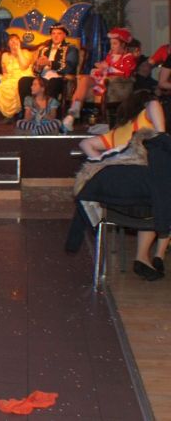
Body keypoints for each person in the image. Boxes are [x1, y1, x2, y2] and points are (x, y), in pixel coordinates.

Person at [72, 90, 168, 280]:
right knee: (161, 195)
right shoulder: (148, 111)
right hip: (145, 196)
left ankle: (148, 257)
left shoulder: (116, 133)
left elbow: (85, 144)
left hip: (115, 203)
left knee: (154, 200)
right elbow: (161, 137)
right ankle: (155, 255)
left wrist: (105, 163)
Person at [63, 28, 136, 131]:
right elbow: (104, 66)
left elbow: (126, 73)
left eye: (115, 44)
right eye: (111, 44)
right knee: (84, 79)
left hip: (112, 86)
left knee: (83, 85)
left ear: (123, 44)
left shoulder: (128, 57)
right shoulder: (110, 56)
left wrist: (107, 68)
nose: (112, 46)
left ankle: (71, 117)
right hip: (100, 82)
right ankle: (72, 115)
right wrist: (100, 68)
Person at [18, 23, 79, 105]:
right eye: (53, 33)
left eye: (59, 33)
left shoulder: (71, 49)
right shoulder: (44, 49)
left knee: (53, 82)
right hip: (42, 79)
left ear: (64, 35)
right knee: (24, 81)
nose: (56, 36)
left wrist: (49, 63)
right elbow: (36, 71)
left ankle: (48, 111)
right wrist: (38, 67)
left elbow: (70, 67)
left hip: (58, 79)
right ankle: (27, 110)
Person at [0, 33, 33, 123]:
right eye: (11, 40)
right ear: (8, 43)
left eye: (16, 40)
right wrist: (4, 78)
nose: (14, 42)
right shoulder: (5, 55)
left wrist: (18, 50)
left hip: (23, 77)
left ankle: (9, 115)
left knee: (7, 87)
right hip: (9, 77)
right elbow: (4, 72)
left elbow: (24, 66)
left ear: (20, 42)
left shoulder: (26, 52)